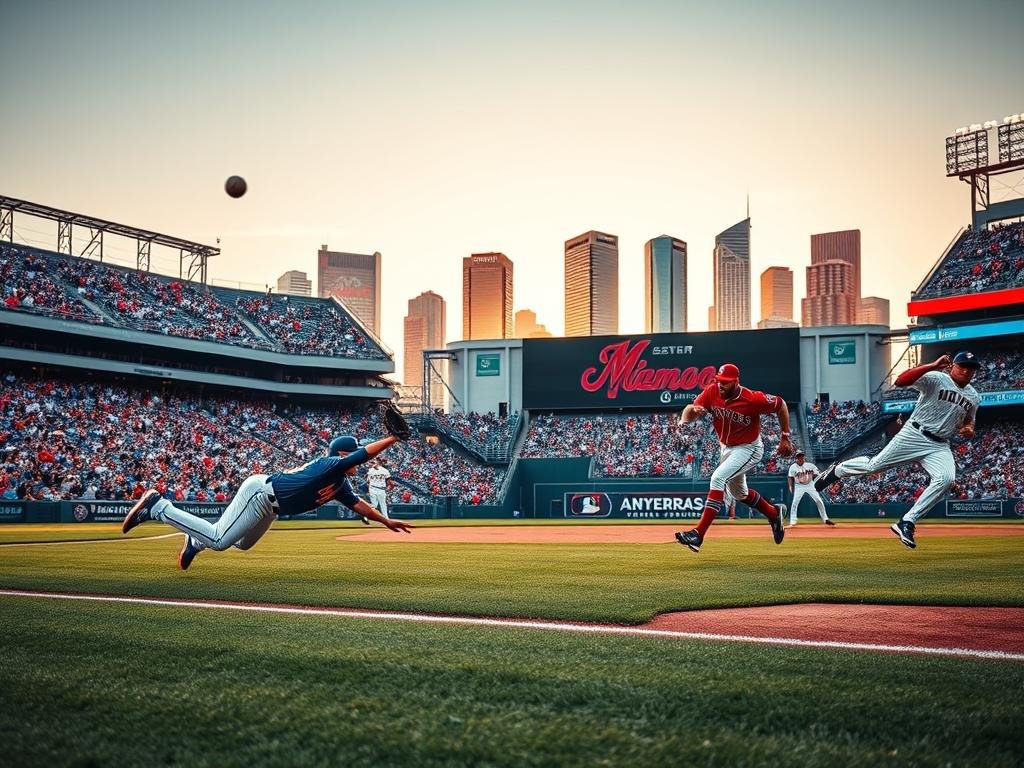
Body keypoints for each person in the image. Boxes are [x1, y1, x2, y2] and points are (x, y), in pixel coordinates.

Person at [122, 433, 413, 570]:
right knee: (220, 540)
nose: (358, 463)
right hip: (261, 494)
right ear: (342, 455)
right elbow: (361, 455)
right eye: (352, 456)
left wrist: (385, 521)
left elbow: (359, 505)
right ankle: (159, 507)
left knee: (242, 544)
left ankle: (194, 542)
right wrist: (392, 438)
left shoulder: (340, 483)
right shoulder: (330, 465)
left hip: (270, 507)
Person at [814, 352, 979, 549]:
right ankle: (837, 470)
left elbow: (969, 419)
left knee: (946, 479)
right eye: (962, 365)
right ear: (952, 366)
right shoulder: (937, 378)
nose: (966, 370)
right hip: (915, 433)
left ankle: (907, 522)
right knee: (874, 465)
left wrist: (969, 427)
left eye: (971, 368)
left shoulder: (973, 396)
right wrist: (932, 365)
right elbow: (901, 381)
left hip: (940, 445)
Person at [674, 362, 792, 552]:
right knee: (740, 494)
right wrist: (685, 420)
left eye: (726, 382)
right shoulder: (712, 391)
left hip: (749, 448)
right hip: (726, 448)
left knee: (718, 478)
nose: (721, 385)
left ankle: (698, 534)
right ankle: (773, 513)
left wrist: (785, 436)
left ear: (736, 382)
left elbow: (781, 404)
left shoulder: (753, 398)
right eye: (719, 381)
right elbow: (690, 409)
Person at [786, 450, 834, 527]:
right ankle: (792, 522)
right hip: (799, 486)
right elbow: (790, 477)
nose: (801, 458)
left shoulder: (810, 465)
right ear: (796, 458)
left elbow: (819, 474)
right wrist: (790, 486)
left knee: (819, 500)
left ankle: (825, 519)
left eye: (802, 456)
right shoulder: (793, 467)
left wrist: (821, 481)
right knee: (795, 502)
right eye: (799, 457)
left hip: (810, 484)